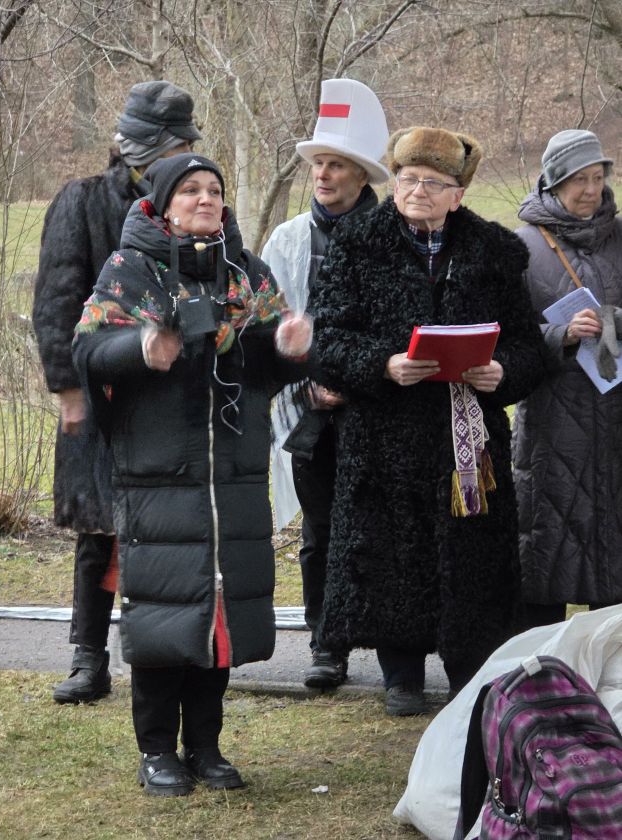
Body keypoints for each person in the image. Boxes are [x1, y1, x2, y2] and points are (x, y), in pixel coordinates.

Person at [73, 153, 310, 796]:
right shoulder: (130, 271)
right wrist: (141, 349)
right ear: (163, 202)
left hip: (231, 473)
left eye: (214, 190)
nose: (206, 200)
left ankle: (205, 747)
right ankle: (157, 752)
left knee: (219, 618)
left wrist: (289, 348)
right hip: (158, 473)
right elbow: (87, 350)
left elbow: (265, 366)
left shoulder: (245, 271)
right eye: (192, 190)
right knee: (162, 615)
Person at [310, 126, 546, 716]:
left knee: (472, 553)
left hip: (468, 434)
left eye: (432, 183)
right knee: (395, 550)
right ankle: (401, 675)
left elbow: (527, 343)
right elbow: (327, 340)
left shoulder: (494, 251)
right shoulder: (356, 242)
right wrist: (383, 364)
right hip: (386, 433)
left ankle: (472, 666)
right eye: (408, 179)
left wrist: (503, 373)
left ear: (457, 194)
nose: (417, 191)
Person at [32, 80, 202, 704]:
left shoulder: (190, 205)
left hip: (170, 401)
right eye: (167, 147)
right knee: (98, 529)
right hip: (98, 391)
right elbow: (55, 301)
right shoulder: (81, 202)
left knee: (164, 530)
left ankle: (167, 655)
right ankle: (88, 658)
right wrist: (68, 390)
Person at [263, 78, 389, 689]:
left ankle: (398, 652)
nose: (323, 174)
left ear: (362, 176)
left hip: (379, 408)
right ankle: (326, 643)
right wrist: (309, 384)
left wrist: (360, 382)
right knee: (320, 534)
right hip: (311, 412)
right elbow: (266, 326)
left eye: (336, 165)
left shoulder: (393, 237)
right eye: (318, 163)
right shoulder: (288, 240)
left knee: (385, 528)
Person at [512, 129, 622, 628]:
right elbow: (506, 336)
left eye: (597, 177)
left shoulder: (621, 239)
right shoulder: (523, 247)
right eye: (578, 179)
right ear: (554, 183)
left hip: (616, 417)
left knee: (614, 545)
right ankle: (541, 678)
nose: (590, 189)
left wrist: (613, 321)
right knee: (546, 542)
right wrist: (559, 335)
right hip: (552, 423)